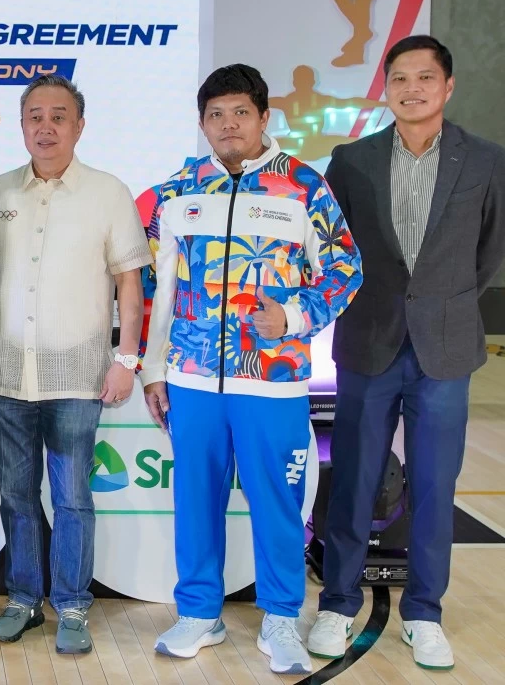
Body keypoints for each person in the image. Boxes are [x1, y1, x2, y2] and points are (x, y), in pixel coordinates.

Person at [140, 64, 362, 675]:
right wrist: (154, 368)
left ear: (265, 117)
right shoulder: (182, 188)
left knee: (277, 502)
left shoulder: (302, 186)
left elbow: (345, 268)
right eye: (215, 114)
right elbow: (157, 285)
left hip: (272, 380)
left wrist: (292, 317)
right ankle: (199, 613)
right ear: (203, 124)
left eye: (240, 112)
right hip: (191, 378)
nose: (228, 124)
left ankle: (283, 620)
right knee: (195, 498)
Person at [308, 35, 505, 671]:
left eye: (425, 77)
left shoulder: (487, 162)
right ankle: (337, 604)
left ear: (447, 87)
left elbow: (489, 252)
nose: (411, 88)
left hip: (444, 347)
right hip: (369, 340)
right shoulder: (352, 160)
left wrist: (443, 300)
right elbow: (332, 249)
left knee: (434, 484)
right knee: (355, 480)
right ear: (385, 87)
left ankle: (425, 612)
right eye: (399, 78)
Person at [0, 75, 151, 654]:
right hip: (4, 377)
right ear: (21, 124)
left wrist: (127, 358)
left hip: (78, 377)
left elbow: (130, 281)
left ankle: (73, 605)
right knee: (17, 498)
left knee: (73, 496)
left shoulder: (108, 191)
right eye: (34, 116)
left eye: (58, 116)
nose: (45, 127)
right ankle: (23, 599)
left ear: (79, 125)